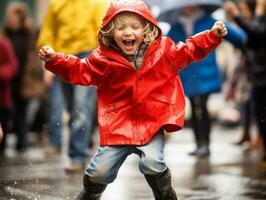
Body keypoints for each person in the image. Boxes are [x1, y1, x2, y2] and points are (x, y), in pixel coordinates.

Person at [39, 0, 227, 199]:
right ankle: (88, 195)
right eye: (121, 27)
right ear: (110, 31)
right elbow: (80, 69)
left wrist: (211, 36)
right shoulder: (102, 58)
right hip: (117, 127)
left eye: (135, 27)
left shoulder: (164, 50)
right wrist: (55, 60)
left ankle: (165, 196)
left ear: (146, 29)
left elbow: (188, 50)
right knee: (98, 172)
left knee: (153, 164)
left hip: (151, 124)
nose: (128, 32)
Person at [36, 0, 109, 172]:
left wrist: (102, 63)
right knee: (72, 108)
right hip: (61, 58)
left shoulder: (97, 3)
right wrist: (48, 64)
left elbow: (104, 32)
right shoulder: (56, 4)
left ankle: (77, 156)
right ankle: (85, 138)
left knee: (80, 108)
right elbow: (48, 34)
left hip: (88, 56)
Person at [166, 4, 246, 157]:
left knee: (201, 105)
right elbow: (168, 47)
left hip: (205, 72)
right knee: (195, 106)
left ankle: (205, 144)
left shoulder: (209, 21)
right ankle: (199, 143)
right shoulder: (176, 25)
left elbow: (238, 37)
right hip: (188, 74)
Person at [225, 0, 266, 167]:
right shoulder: (251, 22)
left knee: (262, 115)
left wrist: (260, 10)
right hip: (256, 77)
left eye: (243, 9)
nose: (242, 12)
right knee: (259, 116)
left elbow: (256, 32)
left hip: (262, 76)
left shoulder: (259, 21)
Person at [3, 1, 35, 151]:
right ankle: (4, 141)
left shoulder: (29, 33)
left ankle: (21, 143)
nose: (9, 20)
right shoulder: (4, 34)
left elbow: (32, 56)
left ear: (20, 18)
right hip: (7, 80)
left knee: (22, 111)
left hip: (23, 78)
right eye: (7, 17)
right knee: (7, 112)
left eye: (12, 17)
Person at [0, 28, 18, 152]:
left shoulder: (4, 44)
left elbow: (13, 65)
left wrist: (1, 74)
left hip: (2, 97)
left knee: (4, 127)